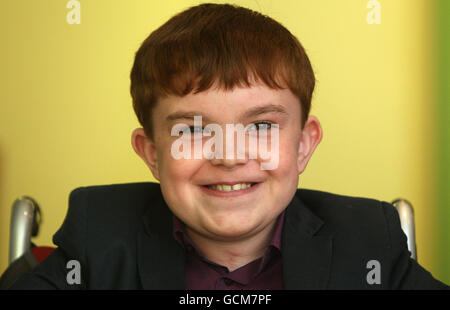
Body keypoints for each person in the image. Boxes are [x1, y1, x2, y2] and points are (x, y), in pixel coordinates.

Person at [8, 3, 449, 289]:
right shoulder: (99, 238)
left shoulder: (368, 242)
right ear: (152, 154)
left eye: (260, 126)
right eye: (193, 130)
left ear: (303, 145)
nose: (230, 154)